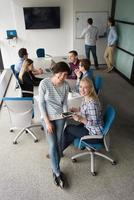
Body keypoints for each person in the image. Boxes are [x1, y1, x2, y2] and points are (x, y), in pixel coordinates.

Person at [38, 62, 70, 189]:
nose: (63, 76)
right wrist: (47, 122)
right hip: (47, 118)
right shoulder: (44, 83)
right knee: (52, 145)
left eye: (65, 74)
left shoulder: (66, 85)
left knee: (58, 143)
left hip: (60, 117)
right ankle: (57, 172)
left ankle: (55, 166)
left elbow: (65, 103)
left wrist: (66, 115)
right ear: (55, 72)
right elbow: (41, 104)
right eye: (61, 74)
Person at [62, 77, 103, 152]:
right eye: (81, 86)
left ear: (90, 88)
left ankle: (57, 151)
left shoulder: (92, 104)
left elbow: (94, 123)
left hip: (94, 135)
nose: (82, 90)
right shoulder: (87, 97)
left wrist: (80, 119)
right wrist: (77, 109)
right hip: (89, 128)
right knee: (72, 131)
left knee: (68, 128)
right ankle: (59, 150)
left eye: (85, 88)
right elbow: (86, 110)